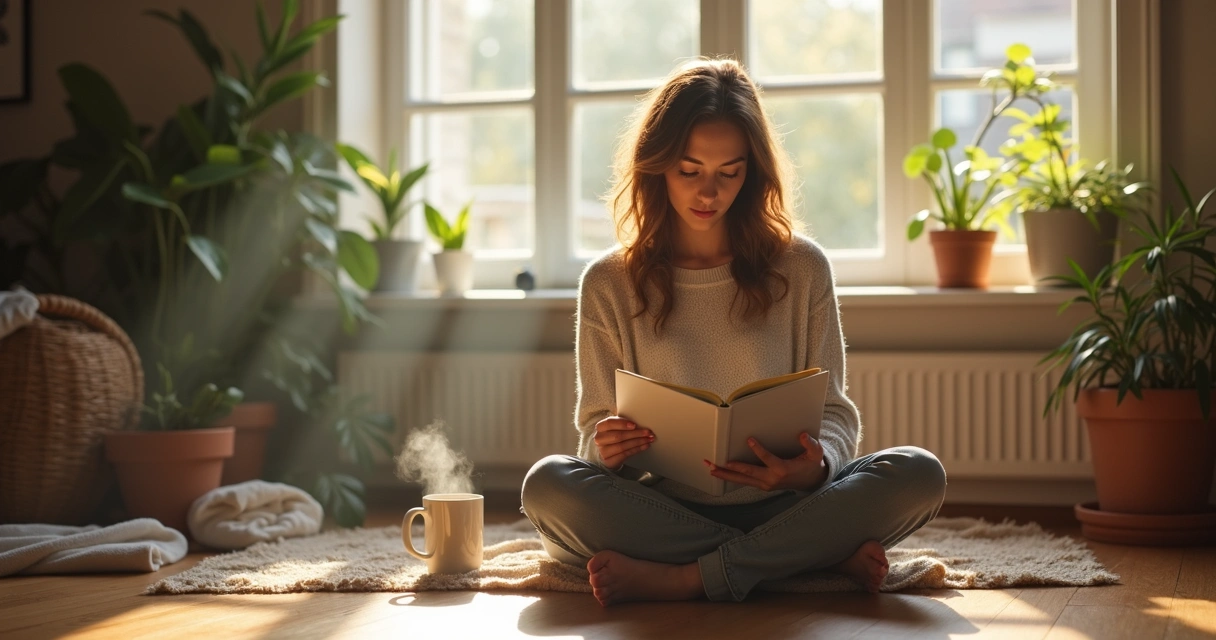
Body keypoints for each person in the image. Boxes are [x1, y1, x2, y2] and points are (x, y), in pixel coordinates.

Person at [520, 58, 946, 606]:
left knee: (917, 473)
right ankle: (804, 559)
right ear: (657, 167)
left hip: (788, 504)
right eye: (688, 169)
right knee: (549, 485)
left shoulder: (803, 267)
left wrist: (814, 467)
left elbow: (836, 415)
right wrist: (608, 446)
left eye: (730, 171)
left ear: (754, 172)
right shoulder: (609, 281)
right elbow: (591, 436)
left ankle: (689, 577)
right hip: (661, 510)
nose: (708, 192)